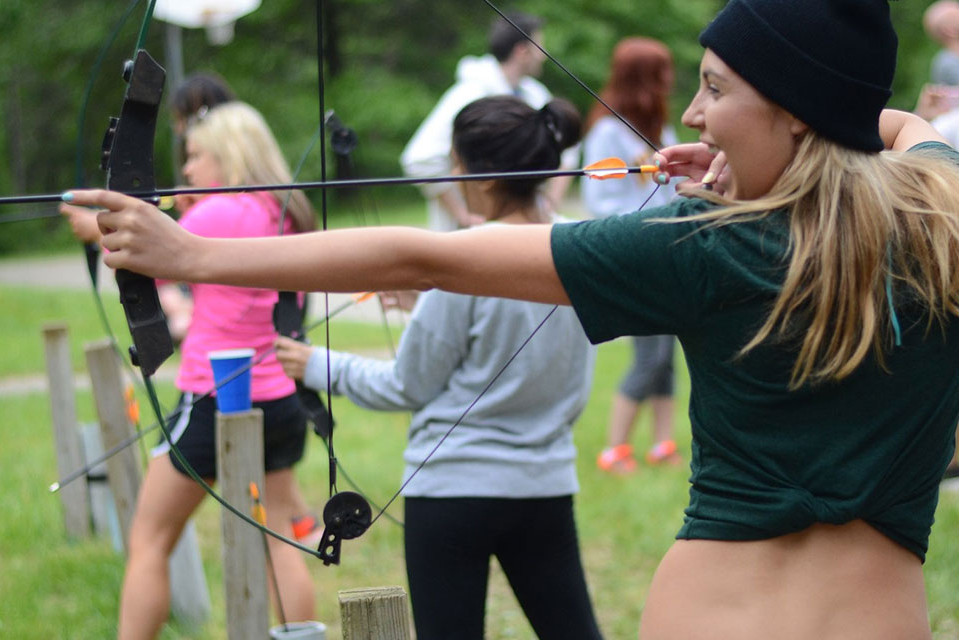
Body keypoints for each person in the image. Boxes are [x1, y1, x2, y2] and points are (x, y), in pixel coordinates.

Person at [73, 0, 959, 637]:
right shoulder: (942, 214)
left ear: (795, 111)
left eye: (716, 90)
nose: (694, 114)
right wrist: (783, 143)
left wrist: (191, 256)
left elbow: (422, 257)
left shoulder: (702, 248)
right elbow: (892, 131)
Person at [279, 95, 601, 639]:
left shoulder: (467, 258)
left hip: (453, 494)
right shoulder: (582, 247)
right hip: (543, 486)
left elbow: (405, 386)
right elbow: (509, 322)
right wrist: (426, 302)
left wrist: (317, 365)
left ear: (486, 177)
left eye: (456, 164)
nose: (453, 178)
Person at [67, 102, 320, 640]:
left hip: (214, 398)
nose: (186, 168)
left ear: (228, 156)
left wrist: (93, 226)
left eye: (197, 155)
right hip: (280, 397)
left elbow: (139, 253)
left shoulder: (214, 214)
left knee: (150, 539)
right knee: (278, 536)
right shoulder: (285, 209)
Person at [581, 37, 681, 474]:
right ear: (642, 77)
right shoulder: (608, 132)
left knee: (667, 359)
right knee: (649, 356)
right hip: (637, 256)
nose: (670, 80)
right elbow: (599, 201)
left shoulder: (661, 131)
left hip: (668, 255)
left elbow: (674, 192)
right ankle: (615, 449)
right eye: (662, 71)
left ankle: (663, 445)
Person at [400, 12, 578, 231]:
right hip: (473, 236)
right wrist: (464, 216)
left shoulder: (535, 94)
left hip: (528, 228)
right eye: (540, 47)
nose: (544, 55)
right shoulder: (470, 94)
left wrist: (549, 205)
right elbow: (419, 158)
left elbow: (567, 146)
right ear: (522, 51)